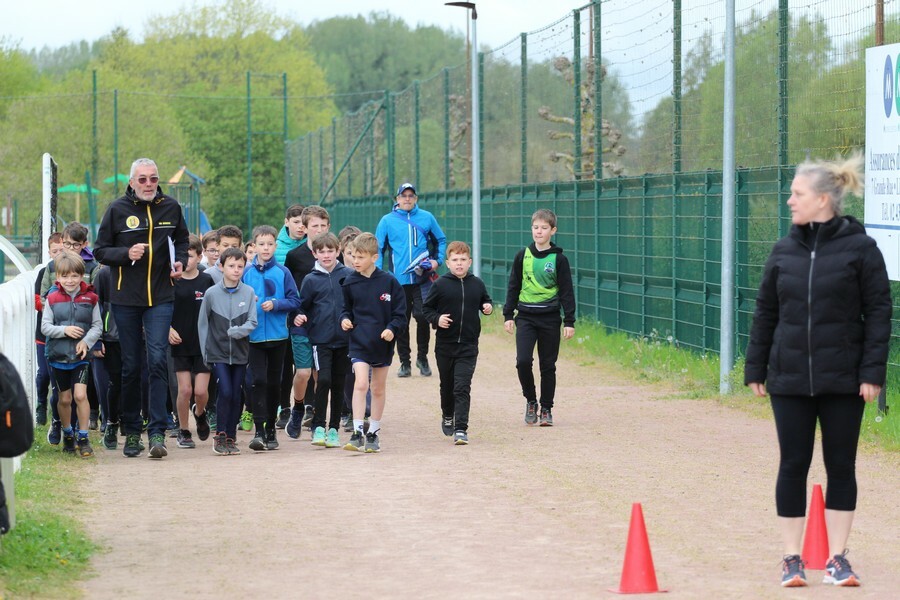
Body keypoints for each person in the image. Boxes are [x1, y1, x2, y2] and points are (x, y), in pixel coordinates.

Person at [744, 153, 891, 588]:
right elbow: (765, 312)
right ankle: (792, 559)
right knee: (793, 464)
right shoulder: (783, 251)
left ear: (822, 199)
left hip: (844, 379)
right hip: (788, 378)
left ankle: (836, 560)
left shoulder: (861, 249)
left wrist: (872, 372)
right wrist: (756, 366)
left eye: (797, 194)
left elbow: (879, 312)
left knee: (841, 466)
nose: (790, 200)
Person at [93, 157, 190, 459]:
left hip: (161, 296)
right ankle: (132, 430)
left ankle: (158, 430)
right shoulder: (117, 209)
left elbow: (182, 241)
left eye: (153, 178)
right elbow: (99, 251)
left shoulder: (171, 207)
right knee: (131, 365)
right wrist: (126, 253)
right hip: (125, 299)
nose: (149, 184)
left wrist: (180, 262)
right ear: (132, 182)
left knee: (158, 360)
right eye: (143, 179)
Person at [502, 208, 576, 427]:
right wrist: (508, 314)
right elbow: (513, 286)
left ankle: (546, 408)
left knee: (548, 365)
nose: (539, 231)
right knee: (523, 361)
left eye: (544, 228)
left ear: (553, 230)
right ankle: (531, 401)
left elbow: (567, 291)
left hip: (550, 318)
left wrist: (569, 321)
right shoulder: (522, 256)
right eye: (536, 227)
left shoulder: (559, 259)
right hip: (525, 317)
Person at [340, 233, 406, 453]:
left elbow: (400, 314)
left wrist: (391, 329)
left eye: (360, 257)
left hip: (382, 344)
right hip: (358, 341)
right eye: (353, 256)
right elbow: (345, 309)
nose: (355, 261)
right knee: (361, 383)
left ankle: (373, 433)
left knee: (377, 387)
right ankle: (357, 432)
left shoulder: (389, 281)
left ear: (374, 257)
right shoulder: (349, 282)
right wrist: (344, 319)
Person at [422, 241, 493, 445]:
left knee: (462, 387)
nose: (459, 263)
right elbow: (427, 309)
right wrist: (437, 319)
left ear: (470, 262)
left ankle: (461, 429)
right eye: (455, 260)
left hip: (468, 346)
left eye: (463, 259)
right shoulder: (440, 285)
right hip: (445, 345)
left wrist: (487, 307)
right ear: (448, 263)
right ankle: (447, 414)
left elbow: (485, 301)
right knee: (447, 385)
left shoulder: (477, 283)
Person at [375, 182, 447, 378]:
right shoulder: (387, 221)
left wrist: (437, 261)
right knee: (401, 320)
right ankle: (404, 362)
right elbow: (378, 249)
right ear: (397, 199)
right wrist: (378, 275)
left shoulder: (427, 217)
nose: (407, 199)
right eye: (403, 195)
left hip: (422, 278)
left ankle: (422, 358)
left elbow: (440, 240)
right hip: (397, 281)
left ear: (415, 198)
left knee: (423, 316)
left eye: (410, 196)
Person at [241, 225, 301, 452]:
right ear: (253, 246)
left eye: (269, 244)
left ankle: (270, 430)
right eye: (261, 244)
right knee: (258, 380)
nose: (265, 248)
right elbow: (236, 299)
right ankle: (258, 430)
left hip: (278, 337)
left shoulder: (283, 272)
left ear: (276, 246)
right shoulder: (246, 273)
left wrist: (276, 304)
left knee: (275, 382)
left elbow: (295, 301)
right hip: (254, 337)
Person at [41, 253, 102, 458]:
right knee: (64, 399)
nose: (70, 280)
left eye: (75, 276)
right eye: (65, 276)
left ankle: (83, 437)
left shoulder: (91, 298)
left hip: (81, 357)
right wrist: (64, 330)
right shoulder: (52, 298)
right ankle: (67, 433)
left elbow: (97, 326)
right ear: (58, 277)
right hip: (58, 357)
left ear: (82, 276)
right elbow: (45, 327)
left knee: (80, 396)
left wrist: (87, 342)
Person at [295, 232, 352, 449]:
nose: (326, 255)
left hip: (344, 340)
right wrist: (298, 316)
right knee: (324, 380)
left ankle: (334, 429)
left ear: (338, 251)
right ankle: (318, 426)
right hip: (320, 341)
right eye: (322, 252)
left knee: (338, 384)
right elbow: (302, 306)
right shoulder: (310, 280)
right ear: (314, 254)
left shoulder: (347, 275)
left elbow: (354, 304)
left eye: (330, 251)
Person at [198, 247, 257, 455]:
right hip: (218, 353)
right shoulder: (211, 293)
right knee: (225, 391)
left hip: (240, 353)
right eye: (231, 266)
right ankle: (220, 435)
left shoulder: (248, 292)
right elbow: (203, 324)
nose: (236, 270)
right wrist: (205, 352)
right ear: (221, 267)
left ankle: (231, 436)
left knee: (236, 394)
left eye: (240, 266)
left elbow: (252, 322)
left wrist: (238, 331)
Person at [283, 205, 332, 437]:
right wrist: (294, 313)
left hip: (326, 322)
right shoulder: (294, 256)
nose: (319, 230)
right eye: (314, 226)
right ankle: (298, 407)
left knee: (321, 373)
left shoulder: (333, 256)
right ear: (304, 228)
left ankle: (317, 414)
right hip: (301, 321)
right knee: (303, 372)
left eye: (323, 225)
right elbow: (289, 289)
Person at [169, 235, 214, 449]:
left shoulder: (207, 281)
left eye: (189, 256)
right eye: (181, 256)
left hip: (203, 344)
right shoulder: (171, 281)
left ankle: (200, 413)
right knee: (185, 390)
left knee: (200, 392)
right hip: (180, 343)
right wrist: (168, 329)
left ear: (199, 256)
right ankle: (184, 430)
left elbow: (216, 309)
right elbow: (161, 310)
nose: (185, 261)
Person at [274, 204, 306, 429]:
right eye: (296, 222)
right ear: (286, 222)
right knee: (285, 363)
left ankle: (304, 407)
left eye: (303, 223)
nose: (300, 227)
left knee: (304, 364)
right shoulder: (276, 247)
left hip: (306, 312)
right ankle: (283, 407)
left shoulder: (312, 246)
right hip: (283, 312)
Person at [34, 232, 64, 429]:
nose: (59, 254)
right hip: (44, 333)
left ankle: (60, 415)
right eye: (55, 251)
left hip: (65, 334)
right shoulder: (44, 273)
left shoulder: (74, 272)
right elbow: (38, 301)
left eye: (62, 249)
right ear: (49, 252)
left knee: (58, 376)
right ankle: (41, 403)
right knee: (44, 373)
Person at [93, 264, 122, 450]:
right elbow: (96, 308)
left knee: (137, 381)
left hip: (137, 338)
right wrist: (97, 340)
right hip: (110, 338)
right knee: (113, 382)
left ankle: (132, 425)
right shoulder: (104, 274)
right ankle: (110, 420)